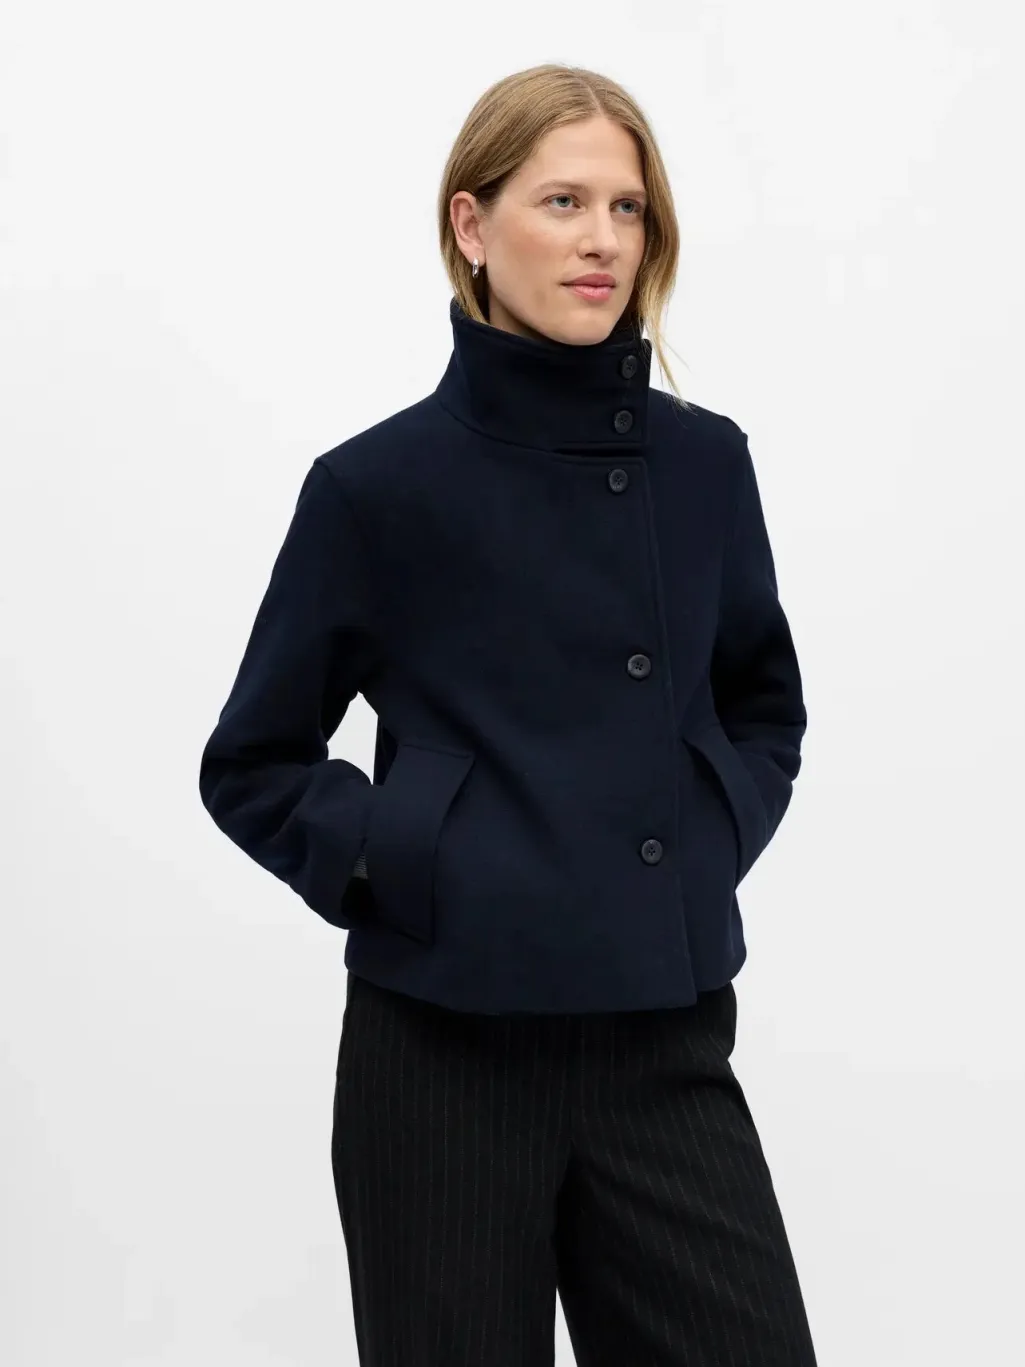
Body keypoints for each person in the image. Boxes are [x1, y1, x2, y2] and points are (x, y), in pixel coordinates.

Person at [199, 62, 817, 1367]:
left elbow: (763, 705)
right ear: (472, 226)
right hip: (443, 1056)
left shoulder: (705, 464)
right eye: (564, 201)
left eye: (627, 208)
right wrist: (411, 859)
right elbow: (252, 759)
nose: (603, 241)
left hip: (662, 1043)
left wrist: (701, 842)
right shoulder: (377, 487)